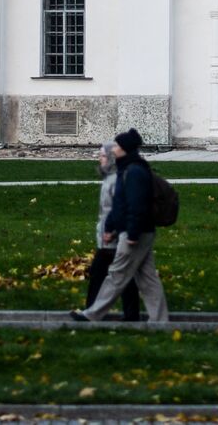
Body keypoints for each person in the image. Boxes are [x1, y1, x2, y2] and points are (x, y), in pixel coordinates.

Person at [70, 128, 169, 324]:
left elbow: (134, 206)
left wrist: (131, 233)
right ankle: (160, 320)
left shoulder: (134, 172)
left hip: (134, 233)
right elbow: (120, 205)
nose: (113, 149)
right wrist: (110, 227)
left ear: (124, 148)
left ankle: (92, 314)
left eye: (116, 145)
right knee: (148, 279)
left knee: (117, 275)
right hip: (139, 231)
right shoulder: (129, 169)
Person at [83, 141, 141, 321]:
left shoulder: (116, 180)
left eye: (102, 156)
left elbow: (118, 208)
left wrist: (111, 231)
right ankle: (130, 314)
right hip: (109, 236)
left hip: (113, 238)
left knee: (100, 274)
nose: (99, 159)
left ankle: (91, 312)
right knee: (122, 275)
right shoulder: (110, 178)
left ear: (110, 158)